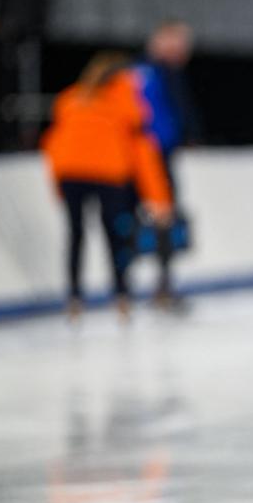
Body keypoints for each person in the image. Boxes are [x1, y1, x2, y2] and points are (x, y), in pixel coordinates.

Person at [41, 52, 173, 321]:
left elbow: (54, 145)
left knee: (76, 235)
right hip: (109, 175)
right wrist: (159, 198)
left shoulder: (70, 99)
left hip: (71, 175)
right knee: (115, 235)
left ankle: (75, 298)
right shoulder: (126, 103)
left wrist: (57, 183)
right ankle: (121, 296)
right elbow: (143, 152)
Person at [132, 19, 201, 309]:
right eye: (177, 42)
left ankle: (156, 284)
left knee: (160, 218)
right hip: (149, 156)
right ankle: (157, 286)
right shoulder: (150, 73)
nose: (183, 50)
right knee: (161, 217)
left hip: (149, 154)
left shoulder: (151, 73)